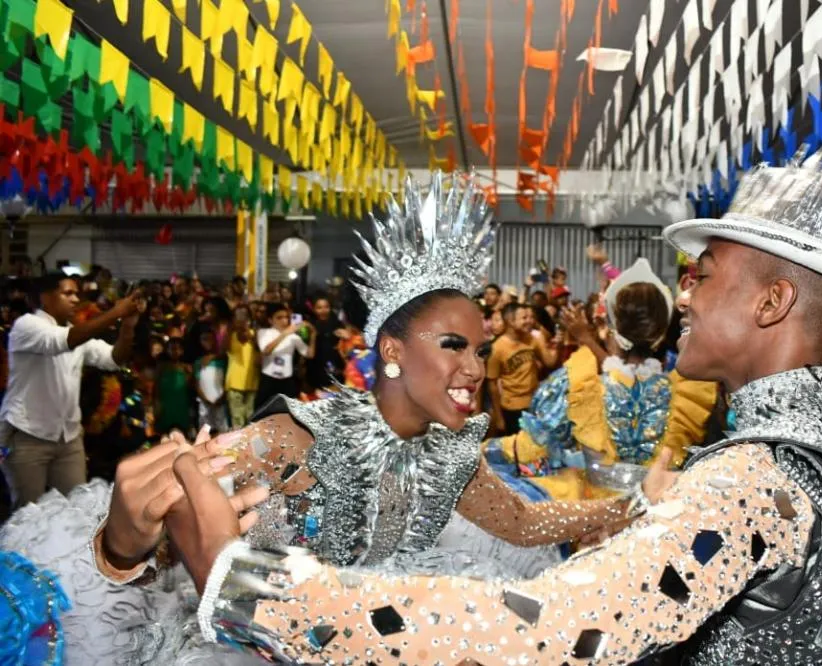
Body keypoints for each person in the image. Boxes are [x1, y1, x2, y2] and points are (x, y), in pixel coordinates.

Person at [164, 148, 822, 665]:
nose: (684, 295)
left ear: (774, 303)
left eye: (703, 275)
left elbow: (550, 629)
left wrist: (247, 587)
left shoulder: (756, 479)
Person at [0, 173, 657, 664]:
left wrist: (629, 509)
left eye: (480, 349)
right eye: (453, 345)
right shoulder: (297, 439)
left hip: (365, 632)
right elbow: (167, 519)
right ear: (392, 353)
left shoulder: (449, 456)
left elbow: (524, 522)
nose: (475, 369)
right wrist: (117, 551)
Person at [485, 259, 676, 502]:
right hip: (661, 519)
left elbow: (531, 447)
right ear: (659, 334)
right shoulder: (684, 391)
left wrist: (481, 451)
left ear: (608, 326)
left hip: (595, 518)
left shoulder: (580, 385)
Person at [0, 275, 142, 507]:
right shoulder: (27, 325)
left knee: (76, 509)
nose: (76, 299)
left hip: (67, 437)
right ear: (45, 298)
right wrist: (116, 312)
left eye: (76, 293)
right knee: (27, 514)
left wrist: (127, 326)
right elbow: (62, 341)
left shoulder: (74, 332)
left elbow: (114, 358)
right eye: (68, 293)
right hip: (27, 434)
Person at [486, 302, 560, 435]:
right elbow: (492, 385)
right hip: (511, 408)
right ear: (510, 321)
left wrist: (559, 344)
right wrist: (498, 417)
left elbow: (550, 362)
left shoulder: (533, 339)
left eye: (530, 317)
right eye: (524, 318)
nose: (530, 321)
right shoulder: (496, 348)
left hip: (534, 405)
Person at [255, 304, 315, 407]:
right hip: (269, 379)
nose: (284, 321)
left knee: (287, 413)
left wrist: (313, 334)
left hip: (287, 380)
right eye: (279, 318)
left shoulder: (293, 337)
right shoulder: (264, 332)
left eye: (287, 317)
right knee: (263, 411)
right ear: (270, 320)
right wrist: (285, 334)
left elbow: (309, 354)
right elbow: (266, 351)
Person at [224, 304, 258, 428]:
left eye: (244, 315)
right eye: (238, 315)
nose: (241, 318)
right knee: (237, 420)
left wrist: (250, 333)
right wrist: (231, 328)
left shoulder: (255, 334)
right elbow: (224, 349)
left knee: (251, 419)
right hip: (234, 383)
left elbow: (260, 352)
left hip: (252, 382)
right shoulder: (230, 335)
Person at [194, 327, 228, 434]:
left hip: (220, 401)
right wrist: (205, 399)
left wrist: (222, 398)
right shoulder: (198, 362)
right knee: (205, 431)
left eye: (210, 339)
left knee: (222, 430)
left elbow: (226, 380)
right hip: (204, 402)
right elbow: (197, 384)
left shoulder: (223, 360)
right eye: (204, 339)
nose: (208, 342)